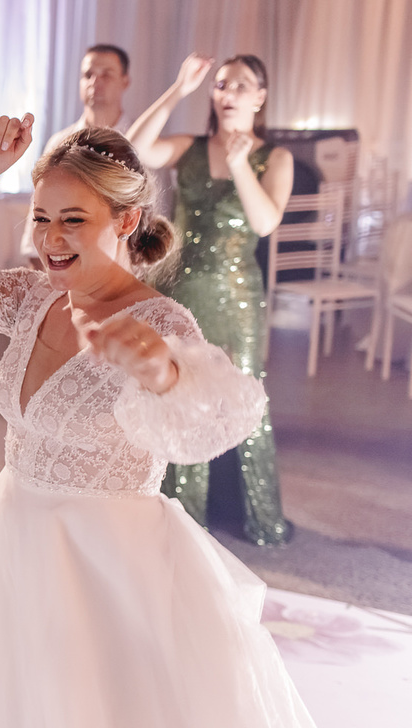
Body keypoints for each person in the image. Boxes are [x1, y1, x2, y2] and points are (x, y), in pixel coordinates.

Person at [0, 118, 345, 728]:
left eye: (72, 220)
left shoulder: (164, 325)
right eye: (40, 219)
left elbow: (217, 417)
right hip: (12, 542)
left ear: (128, 220)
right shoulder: (34, 299)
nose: (51, 239)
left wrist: (165, 376)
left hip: (105, 570)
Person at [128, 54, 294, 545]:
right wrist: (178, 87)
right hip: (177, 288)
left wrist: (241, 163)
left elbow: (265, 222)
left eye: (240, 85)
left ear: (260, 97)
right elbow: (136, 147)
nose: (228, 93)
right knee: (176, 395)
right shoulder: (191, 148)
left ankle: (257, 515)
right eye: (221, 85)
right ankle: (182, 520)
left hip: (237, 297)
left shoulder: (276, 158)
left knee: (245, 401)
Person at [19, 44, 133, 267]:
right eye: (88, 75)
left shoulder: (139, 142)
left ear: (125, 81)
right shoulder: (59, 141)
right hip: (61, 267)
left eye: (106, 75)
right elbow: (38, 213)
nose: (94, 82)